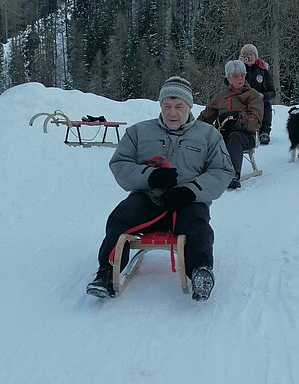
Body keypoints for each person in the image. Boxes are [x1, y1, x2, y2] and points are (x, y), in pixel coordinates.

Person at [86, 76, 235, 301]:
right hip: (149, 199)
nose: (172, 113)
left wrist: (191, 191)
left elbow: (222, 171)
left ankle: (201, 271)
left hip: (188, 201)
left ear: (189, 106)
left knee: (198, 227)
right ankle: (106, 273)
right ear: (160, 105)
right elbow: (120, 164)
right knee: (120, 218)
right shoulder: (139, 133)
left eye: (178, 107)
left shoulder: (208, 135)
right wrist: (151, 176)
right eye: (167, 106)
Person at [198, 60, 263, 189]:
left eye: (242, 75)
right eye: (235, 76)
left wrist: (238, 121)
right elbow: (205, 118)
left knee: (234, 136)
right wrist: (194, 129)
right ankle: (198, 169)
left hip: (245, 136)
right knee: (206, 137)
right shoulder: (220, 97)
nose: (239, 78)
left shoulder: (252, 95)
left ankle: (233, 174)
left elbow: (256, 120)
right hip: (222, 134)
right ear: (228, 78)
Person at [239, 44, 276, 144]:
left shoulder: (263, 71)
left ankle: (264, 132)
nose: (249, 57)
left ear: (256, 56)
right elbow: (228, 82)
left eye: (251, 54)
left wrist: (263, 95)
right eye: (246, 55)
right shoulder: (238, 69)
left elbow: (272, 92)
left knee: (266, 105)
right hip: (242, 98)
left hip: (259, 99)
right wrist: (239, 66)